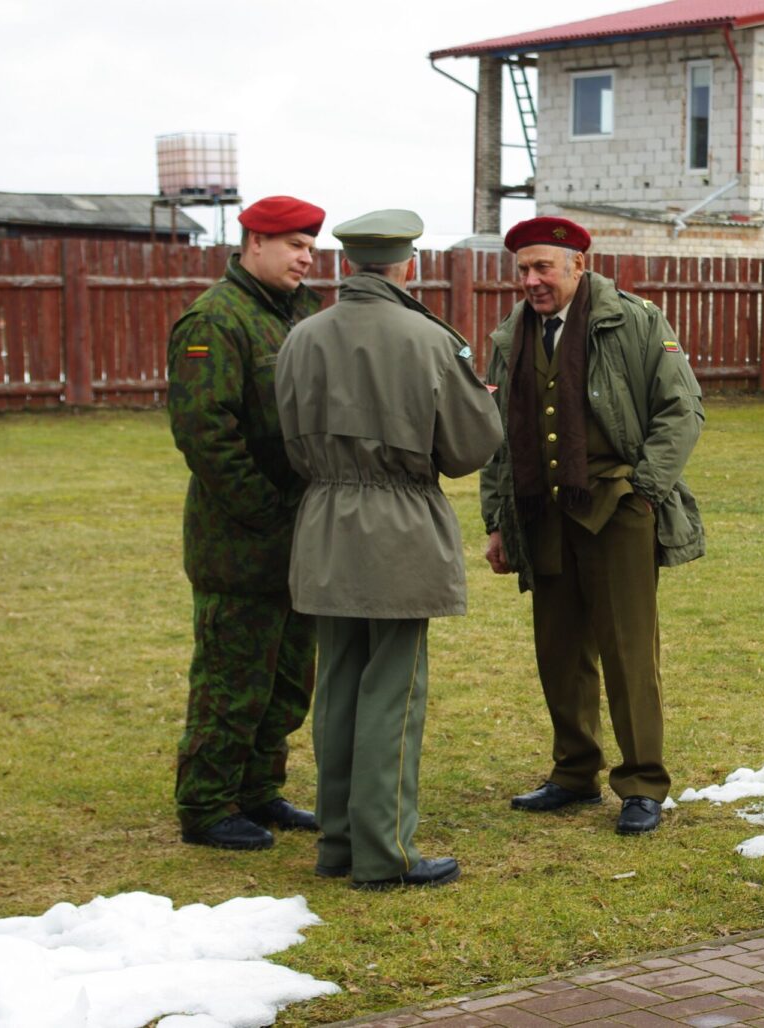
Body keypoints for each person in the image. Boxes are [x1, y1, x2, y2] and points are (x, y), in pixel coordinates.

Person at [277, 209, 503, 889]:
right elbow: (469, 447)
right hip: (399, 527)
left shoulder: (301, 337)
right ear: (406, 264)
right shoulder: (429, 340)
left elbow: (286, 437)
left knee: (339, 682)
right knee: (393, 694)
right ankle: (385, 853)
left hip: (324, 522)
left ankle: (338, 841)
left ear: (349, 263)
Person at [480, 216, 704, 836]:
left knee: (628, 651)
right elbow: (501, 438)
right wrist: (498, 522)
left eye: (543, 267)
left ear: (579, 263)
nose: (530, 281)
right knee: (558, 649)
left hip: (618, 509)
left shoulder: (634, 320)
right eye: (522, 269)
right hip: (540, 512)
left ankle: (642, 783)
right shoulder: (511, 336)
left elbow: (682, 410)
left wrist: (643, 490)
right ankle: (573, 772)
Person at [167, 195, 326, 851]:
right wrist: (270, 514)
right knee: (231, 682)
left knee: (288, 679)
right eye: (294, 244)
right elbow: (206, 436)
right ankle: (206, 805)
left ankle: (260, 790)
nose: (306, 257)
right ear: (253, 241)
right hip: (241, 541)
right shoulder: (214, 320)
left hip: (301, 533)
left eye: (310, 247)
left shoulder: (304, 315)